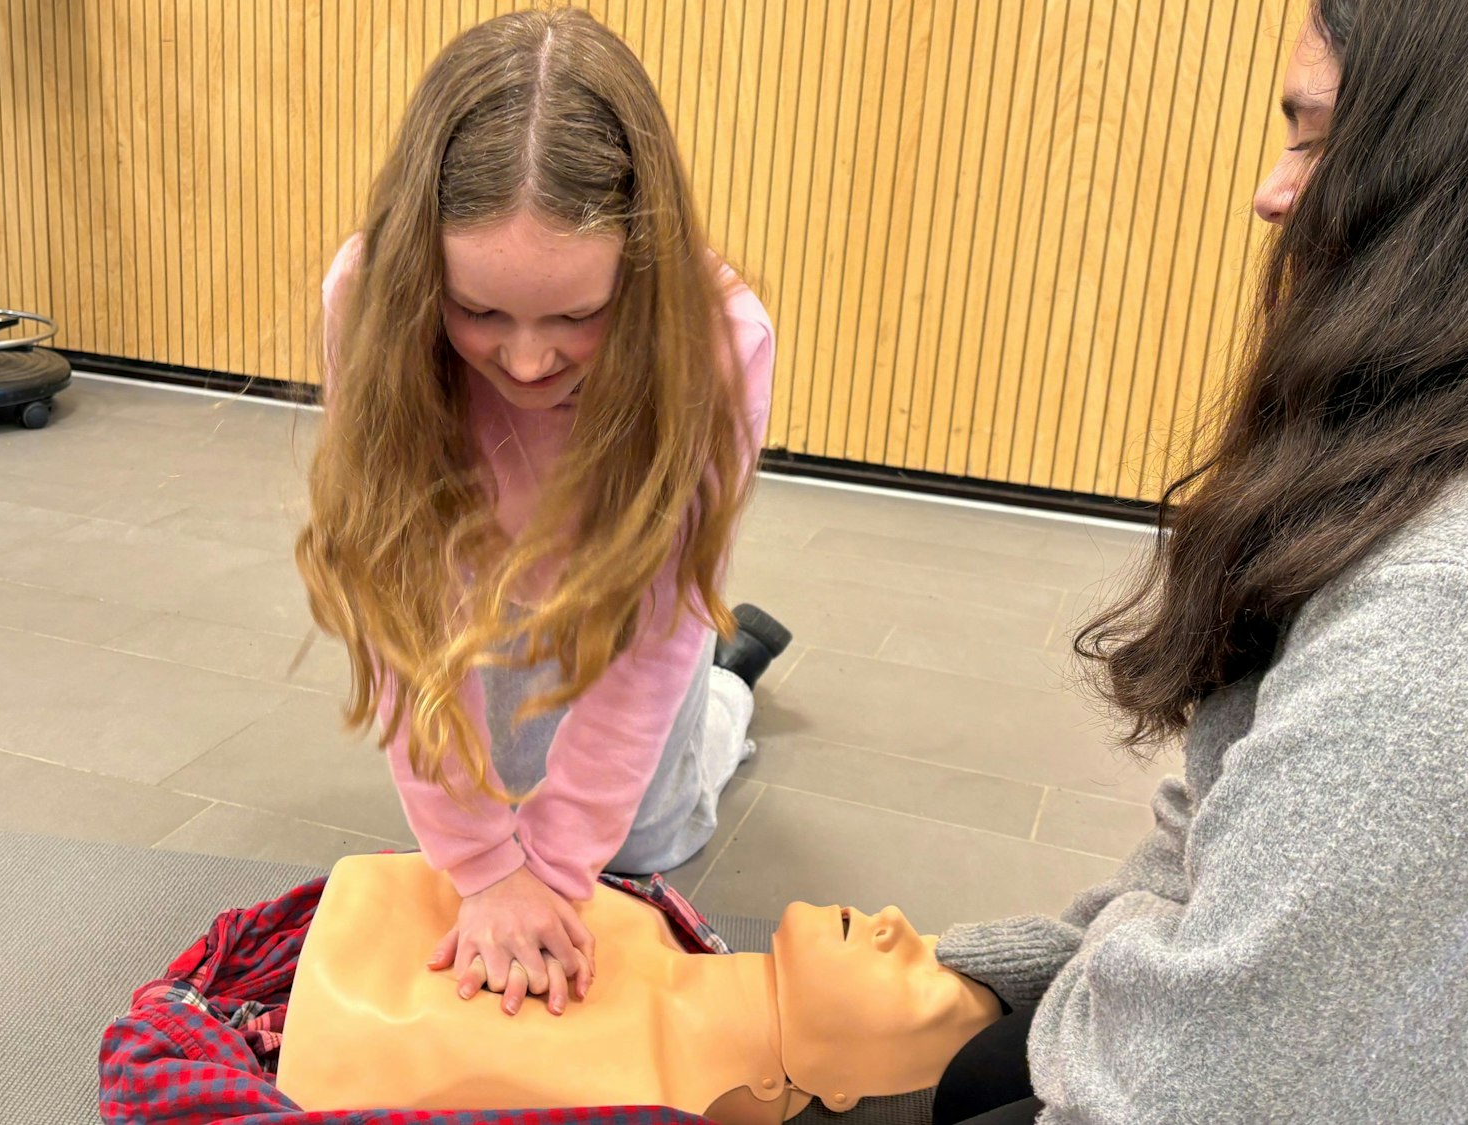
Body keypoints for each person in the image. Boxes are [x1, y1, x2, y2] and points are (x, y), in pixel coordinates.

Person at [929, 0, 1468, 1120]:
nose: (1270, 189)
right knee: (974, 1070)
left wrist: (1084, 989)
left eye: (1312, 138)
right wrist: (1023, 968)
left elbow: (1184, 1094)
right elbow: (1221, 811)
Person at [295, 8, 790, 1018]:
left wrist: (557, 870)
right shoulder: (366, 295)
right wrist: (482, 866)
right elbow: (401, 603)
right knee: (500, 793)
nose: (525, 362)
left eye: (575, 317)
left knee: (652, 841)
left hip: (621, 595)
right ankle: (709, 681)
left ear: (638, 275)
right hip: (473, 580)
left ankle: (728, 689)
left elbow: (652, 631)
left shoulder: (719, 338)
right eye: (477, 311)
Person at [273, 853, 1003, 1123]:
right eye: (935, 947)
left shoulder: (639, 1089)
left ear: (842, 1090)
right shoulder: (651, 921)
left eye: (924, 977)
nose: (902, 924)